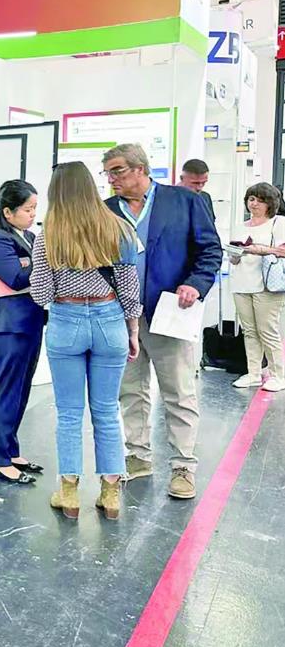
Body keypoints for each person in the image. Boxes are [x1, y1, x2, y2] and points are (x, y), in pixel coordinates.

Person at [103, 143, 222, 501]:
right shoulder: (106, 209)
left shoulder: (184, 201)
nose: (111, 179)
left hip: (170, 312)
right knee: (130, 390)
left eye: (117, 171)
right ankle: (138, 456)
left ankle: (183, 465)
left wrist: (195, 284)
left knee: (179, 392)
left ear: (140, 169)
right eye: (107, 173)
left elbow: (209, 250)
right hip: (121, 316)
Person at [31, 163, 141, 520]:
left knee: (69, 412)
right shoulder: (119, 228)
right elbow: (129, 288)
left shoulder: (48, 234)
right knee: (107, 411)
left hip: (66, 321)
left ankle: (69, 492)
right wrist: (132, 331)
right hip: (110, 322)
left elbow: (40, 294)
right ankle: (111, 494)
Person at [0, 180, 45, 485]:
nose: (33, 214)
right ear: (8, 212)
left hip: (30, 322)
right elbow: (17, 278)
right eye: (28, 209)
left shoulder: (28, 237)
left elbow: (30, 272)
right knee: (6, 391)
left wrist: (34, 259)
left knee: (20, 391)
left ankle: (10, 450)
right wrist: (42, 258)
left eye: (35, 208)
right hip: (8, 326)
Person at [227, 183, 285, 392]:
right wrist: (235, 253)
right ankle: (253, 373)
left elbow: (282, 251)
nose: (254, 204)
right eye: (251, 199)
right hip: (242, 281)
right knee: (249, 331)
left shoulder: (279, 223)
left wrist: (257, 249)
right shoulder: (241, 226)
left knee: (267, 330)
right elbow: (234, 258)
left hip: (268, 284)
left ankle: (278, 375)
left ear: (270, 203)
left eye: (260, 200)